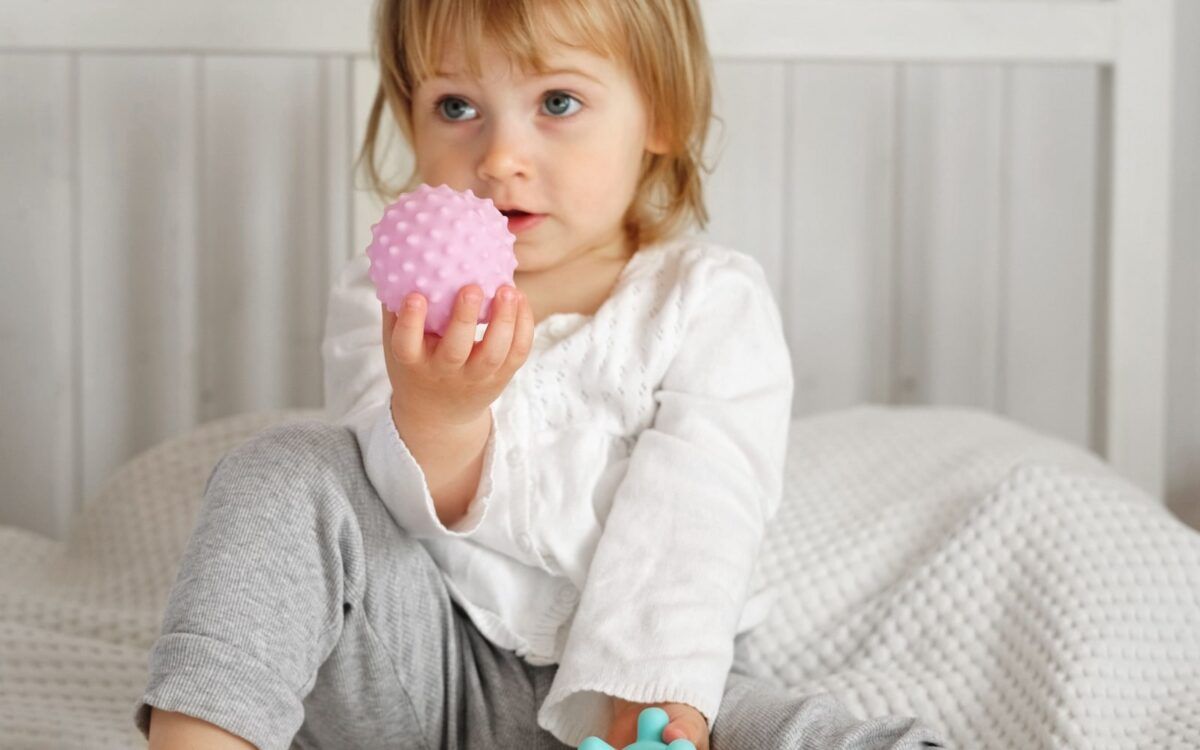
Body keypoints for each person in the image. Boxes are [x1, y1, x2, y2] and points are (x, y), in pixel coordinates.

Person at [134, 0, 946, 748]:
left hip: (648, 681)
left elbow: (699, 512)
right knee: (283, 466)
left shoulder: (704, 299)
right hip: (427, 672)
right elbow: (377, 507)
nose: (500, 157)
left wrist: (657, 710)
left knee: (812, 732)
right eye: (457, 107)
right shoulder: (392, 295)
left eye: (558, 103)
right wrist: (440, 417)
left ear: (660, 115)